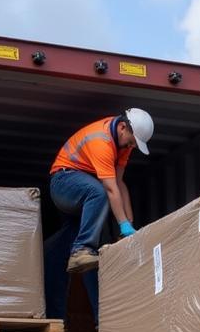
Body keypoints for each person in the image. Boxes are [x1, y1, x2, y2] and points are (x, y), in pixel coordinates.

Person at [48, 107, 154, 277]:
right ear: (122, 128)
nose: (132, 146)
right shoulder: (101, 141)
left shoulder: (124, 145)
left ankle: (96, 296)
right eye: (132, 141)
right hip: (63, 184)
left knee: (95, 256)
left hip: (84, 191)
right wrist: (123, 226)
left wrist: (130, 224)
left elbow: (119, 183)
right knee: (100, 193)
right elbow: (110, 189)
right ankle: (81, 249)